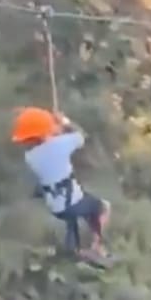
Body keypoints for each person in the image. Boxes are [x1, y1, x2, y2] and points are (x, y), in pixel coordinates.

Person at [12, 107, 112, 266]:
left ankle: (74, 248)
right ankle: (95, 247)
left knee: (74, 213)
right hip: (72, 201)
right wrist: (64, 121)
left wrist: (55, 133)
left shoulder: (29, 157)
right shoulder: (59, 144)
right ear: (45, 131)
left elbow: (49, 150)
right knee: (102, 207)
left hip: (54, 206)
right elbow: (81, 136)